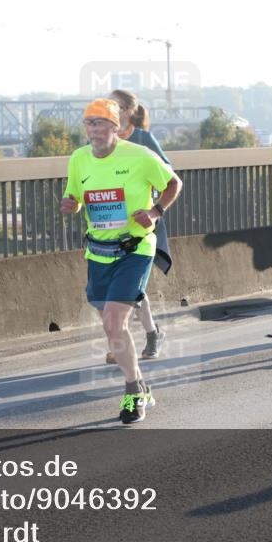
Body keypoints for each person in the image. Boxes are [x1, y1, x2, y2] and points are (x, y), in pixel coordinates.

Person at [61, 98, 182, 424]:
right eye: (89, 123)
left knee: (115, 323)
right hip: (98, 252)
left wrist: (155, 211)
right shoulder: (79, 159)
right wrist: (71, 204)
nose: (94, 130)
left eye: (100, 123)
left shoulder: (139, 156)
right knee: (111, 327)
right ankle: (140, 383)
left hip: (135, 249)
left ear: (116, 127)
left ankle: (132, 393)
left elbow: (174, 183)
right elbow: (75, 196)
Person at [102, 89, 171, 362]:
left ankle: (127, 342)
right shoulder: (103, 139)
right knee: (119, 286)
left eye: (117, 106)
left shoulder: (143, 139)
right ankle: (151, 333)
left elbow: (168, 174)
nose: (111, 110)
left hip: (141, 223)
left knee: (128, 285)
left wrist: (153, 209)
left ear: (129, 111)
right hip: (111, 224)